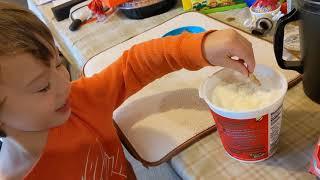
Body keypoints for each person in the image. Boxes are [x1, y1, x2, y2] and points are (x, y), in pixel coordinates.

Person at [0, 2, 255, 179]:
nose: (64, 83)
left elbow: (132, 66)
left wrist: (199, 46)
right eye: (42, 87)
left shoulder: (79, 101)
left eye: (58, 63)